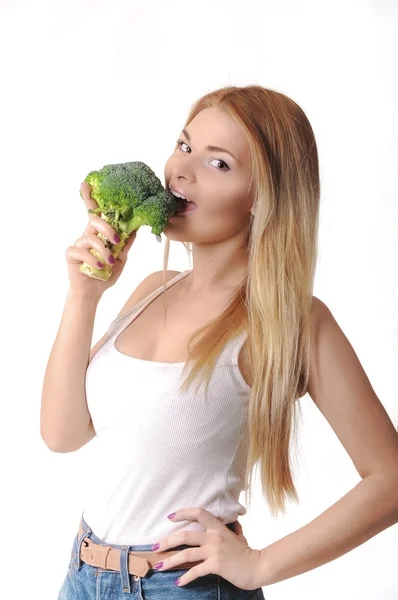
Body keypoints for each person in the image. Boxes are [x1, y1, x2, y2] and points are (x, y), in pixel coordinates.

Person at [42, 85, 318, 598]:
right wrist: (84, 297)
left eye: (218, 164)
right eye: (185, 146)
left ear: (264, 196)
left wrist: (259, 566)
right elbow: (63, 434)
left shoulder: (287, 322)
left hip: (184, 587)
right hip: (83, 573)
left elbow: (388, 480)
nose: (181, 171)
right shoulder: (152, 289)